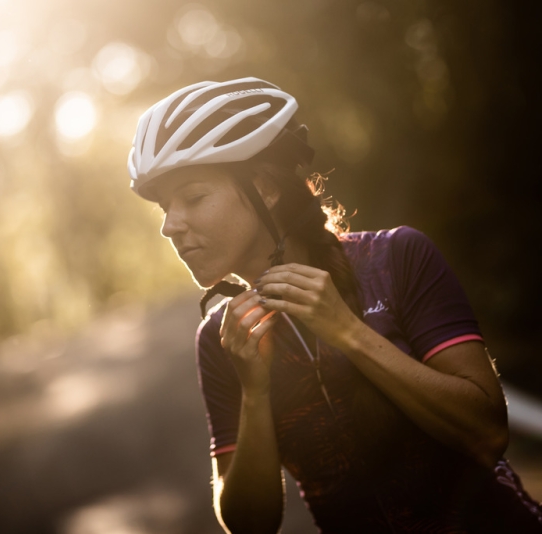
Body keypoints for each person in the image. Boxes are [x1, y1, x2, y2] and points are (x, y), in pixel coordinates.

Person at [126, 77, 542, 533]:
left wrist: (348, 332)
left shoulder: (397, 259)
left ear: (265, 188)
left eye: (193, 198)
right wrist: (255, 391)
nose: (170, 227)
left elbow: (487, 433)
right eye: (166, 208)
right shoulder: (221, 339)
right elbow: (249, 525)